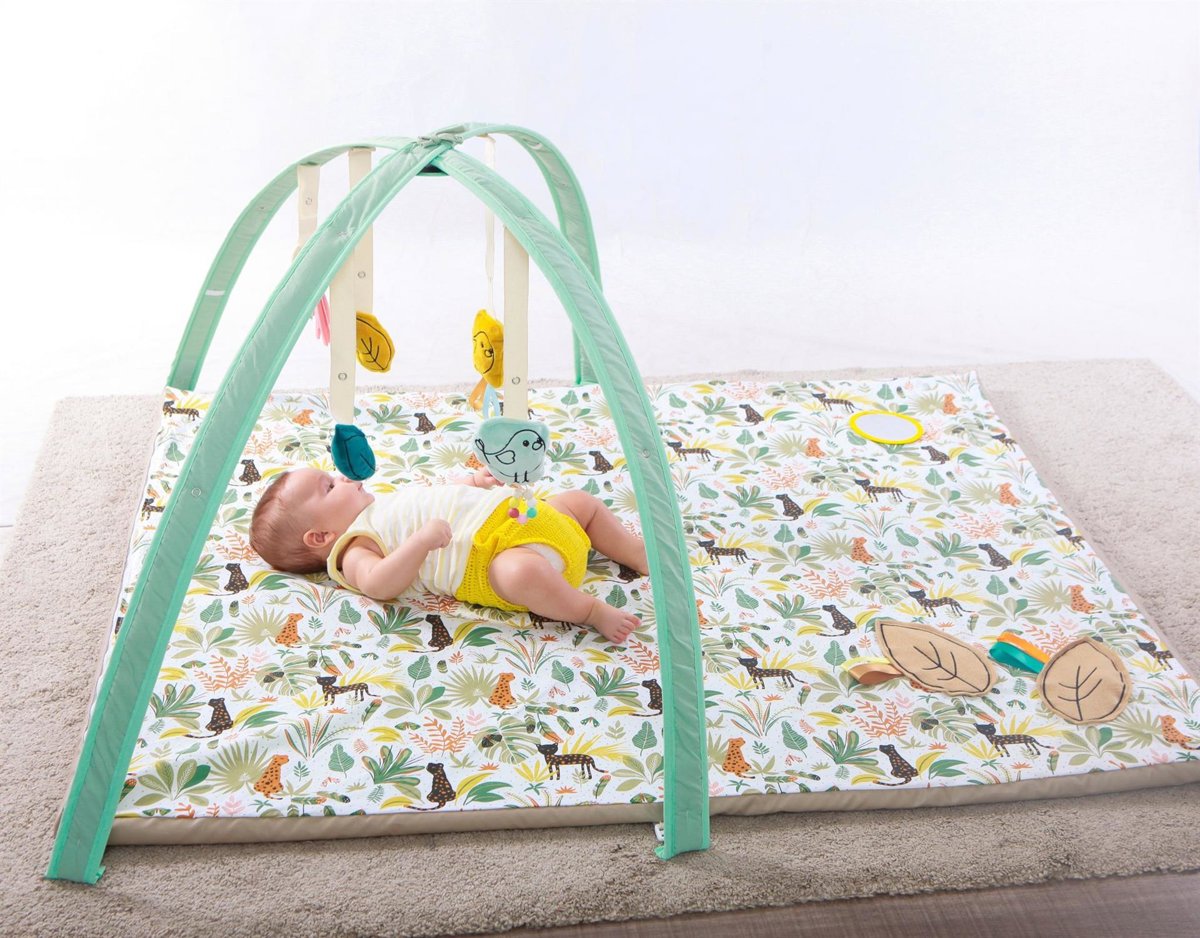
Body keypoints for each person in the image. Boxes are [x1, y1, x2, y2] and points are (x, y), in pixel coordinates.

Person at [249, 466, 649, 644]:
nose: (343, 478)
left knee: (578, 503)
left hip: (523, 517)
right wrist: (421, 542)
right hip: (492, 556)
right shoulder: (354, 548)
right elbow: (378, 584)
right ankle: (590, 611)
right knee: (520, 574)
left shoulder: (380, 505)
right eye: (329, 487)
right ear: (321, 536)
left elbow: (436, 499)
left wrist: (471, 481)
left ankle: (634, 552)